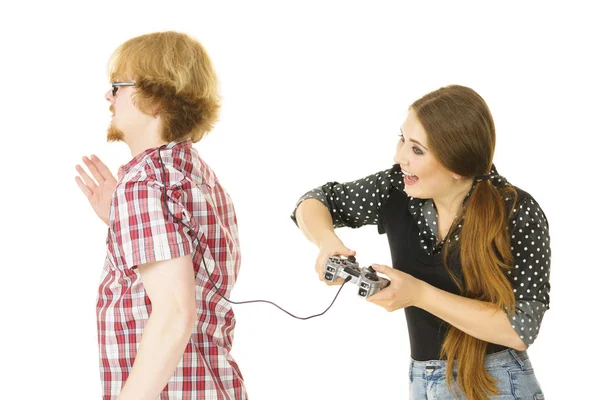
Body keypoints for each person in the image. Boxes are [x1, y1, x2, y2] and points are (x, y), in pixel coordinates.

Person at [291, 85, 550, 400]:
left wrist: (419, 294)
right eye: (402, 139)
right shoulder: (395, 188)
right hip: (421, 381)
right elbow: (314, 201)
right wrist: (327, 241)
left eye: (417, 150)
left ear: (458, 165)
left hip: (496, 384)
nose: (400, 158)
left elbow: (519, 329)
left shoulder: (517, 210)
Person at [75, 31, 248, 400]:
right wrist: (120, 221)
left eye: (118, 86)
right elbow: (195, 274)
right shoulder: (198, 175)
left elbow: (173, 314)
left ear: (154, 99)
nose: (109, 96)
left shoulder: (144, 184)